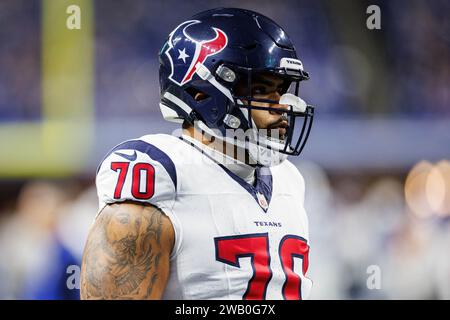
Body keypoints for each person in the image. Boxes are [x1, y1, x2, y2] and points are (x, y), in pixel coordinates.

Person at [80, 7, 315, 300]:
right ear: (202, 93)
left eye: (281, 91)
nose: (283, 107)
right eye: (263, 89)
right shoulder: (162, 173)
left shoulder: (289, 180)